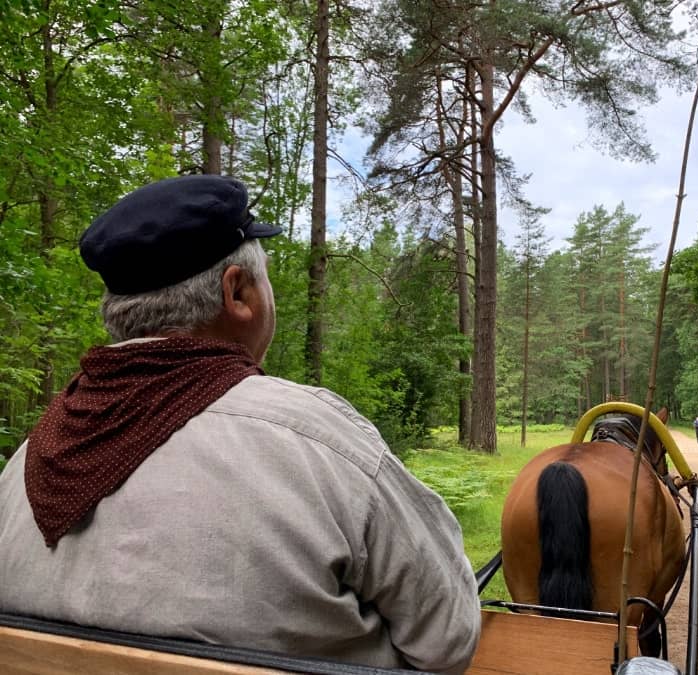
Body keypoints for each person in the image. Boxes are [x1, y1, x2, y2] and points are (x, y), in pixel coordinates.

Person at [0, 175, 480, 673]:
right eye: (264, 277)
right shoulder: (321, 441)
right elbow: (449, 639)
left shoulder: (26, 459)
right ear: (237, 293)